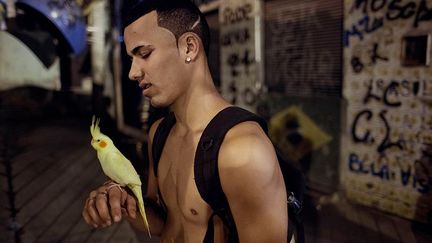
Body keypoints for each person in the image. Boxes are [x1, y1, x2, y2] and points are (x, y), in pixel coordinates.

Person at [82, 0, 288, 242]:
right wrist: (127, 200)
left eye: (144, 54)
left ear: (189, 47)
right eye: (131, 59)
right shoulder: (159, 134)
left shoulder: (243, 151)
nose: (133, 72)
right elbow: (166, 224)